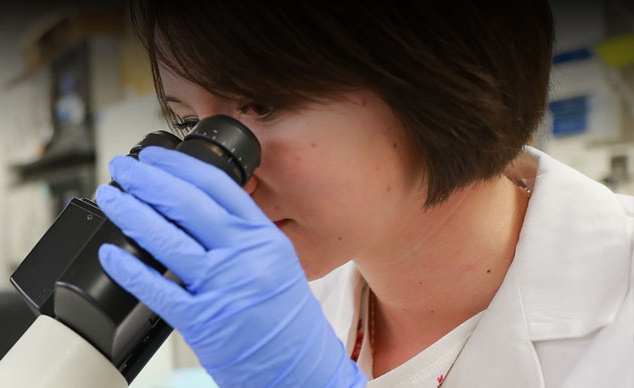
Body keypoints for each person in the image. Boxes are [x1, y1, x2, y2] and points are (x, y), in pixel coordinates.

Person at [95, 2, 634, 387]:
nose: (221, 176)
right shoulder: (274, 310)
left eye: (261, 105)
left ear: (438, 74)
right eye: (191, 124)